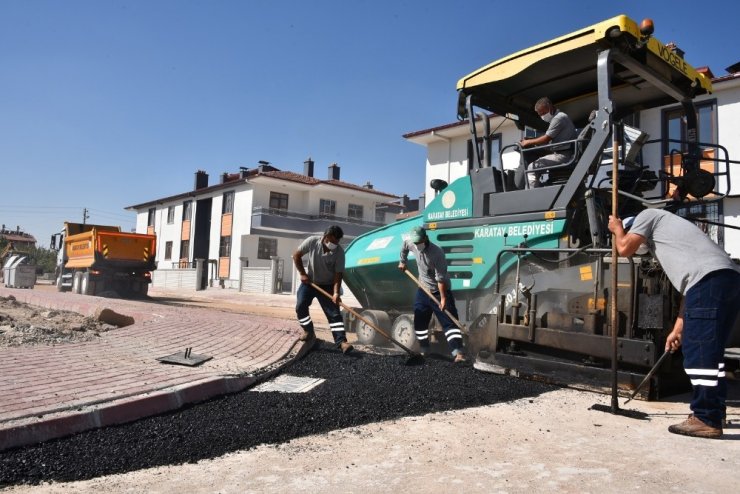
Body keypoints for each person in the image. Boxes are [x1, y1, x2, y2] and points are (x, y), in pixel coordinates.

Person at [608, 209, 740, 439]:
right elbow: (690, 292)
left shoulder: (646, 216)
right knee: (711, 353)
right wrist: (678, 328)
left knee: (699, 352)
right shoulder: (674, 240)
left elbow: (624, 248)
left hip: (708, 282)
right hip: (724, 281)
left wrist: (617, 230)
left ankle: (705, 418)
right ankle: (714, 412)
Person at [398, 226, 466, 362]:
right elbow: (405, 246)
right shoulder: (411, 243)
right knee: (419, 321)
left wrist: (443, 299)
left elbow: (440, 279)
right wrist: (402, 261)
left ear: (425, 238)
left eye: (419, 242)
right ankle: (424, 349)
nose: (417, 245)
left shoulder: (437, 253)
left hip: (440, 290)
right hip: (423, 289)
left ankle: (458, 353)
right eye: (415, 243)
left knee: (449, 322)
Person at [293, 225, 353, 354]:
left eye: (337, 242)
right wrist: (303, 274)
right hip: (310, 282)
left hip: (328, 285)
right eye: (333, 241)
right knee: (300, 306)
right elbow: (296, 255)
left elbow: (338, 275)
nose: (335, 244)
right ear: (325, 237)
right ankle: (308, 331)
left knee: (334, 314)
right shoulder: (312, 242)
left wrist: (336, 292)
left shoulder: (339, 252)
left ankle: (342, 342)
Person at [514, 97, 578, 189]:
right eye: (540, 115)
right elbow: (548, 137)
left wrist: (528, 142)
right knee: (538, 166)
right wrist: (532, 139)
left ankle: (531, 195)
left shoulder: (558, 118)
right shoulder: (560, 117)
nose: (542, 116)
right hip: (565, 153)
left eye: (543, 113)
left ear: (550, 107)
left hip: (563, 156)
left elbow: (546, 139)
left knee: (532, 168)